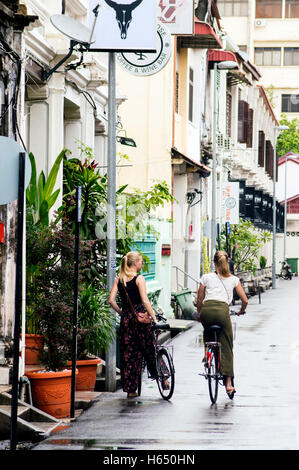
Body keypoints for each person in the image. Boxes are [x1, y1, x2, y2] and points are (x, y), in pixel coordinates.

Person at [195, 250, 248, 397]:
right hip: (222, 312)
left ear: (214, 263)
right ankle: (229, 384)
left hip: (207, 311)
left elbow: (199, 299)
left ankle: (207, 353)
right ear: (228, 264)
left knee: (208, 329)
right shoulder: (234, 279)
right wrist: (241, 311)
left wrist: (199, 313)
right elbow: (245, 300)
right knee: (226, 345)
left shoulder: (206, 277)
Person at [109, 251, 158, 398]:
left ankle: (131, 390)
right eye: (141, 261)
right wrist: (154, 318)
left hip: (126, 320)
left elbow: (111, 300)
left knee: (128, 354)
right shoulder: (139, 278)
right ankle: (162, 378)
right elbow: (145, 301)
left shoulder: (119, 279)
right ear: (135, 263)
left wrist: (122, 313)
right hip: (140, 319)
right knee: (149, 349)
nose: (142, 264)